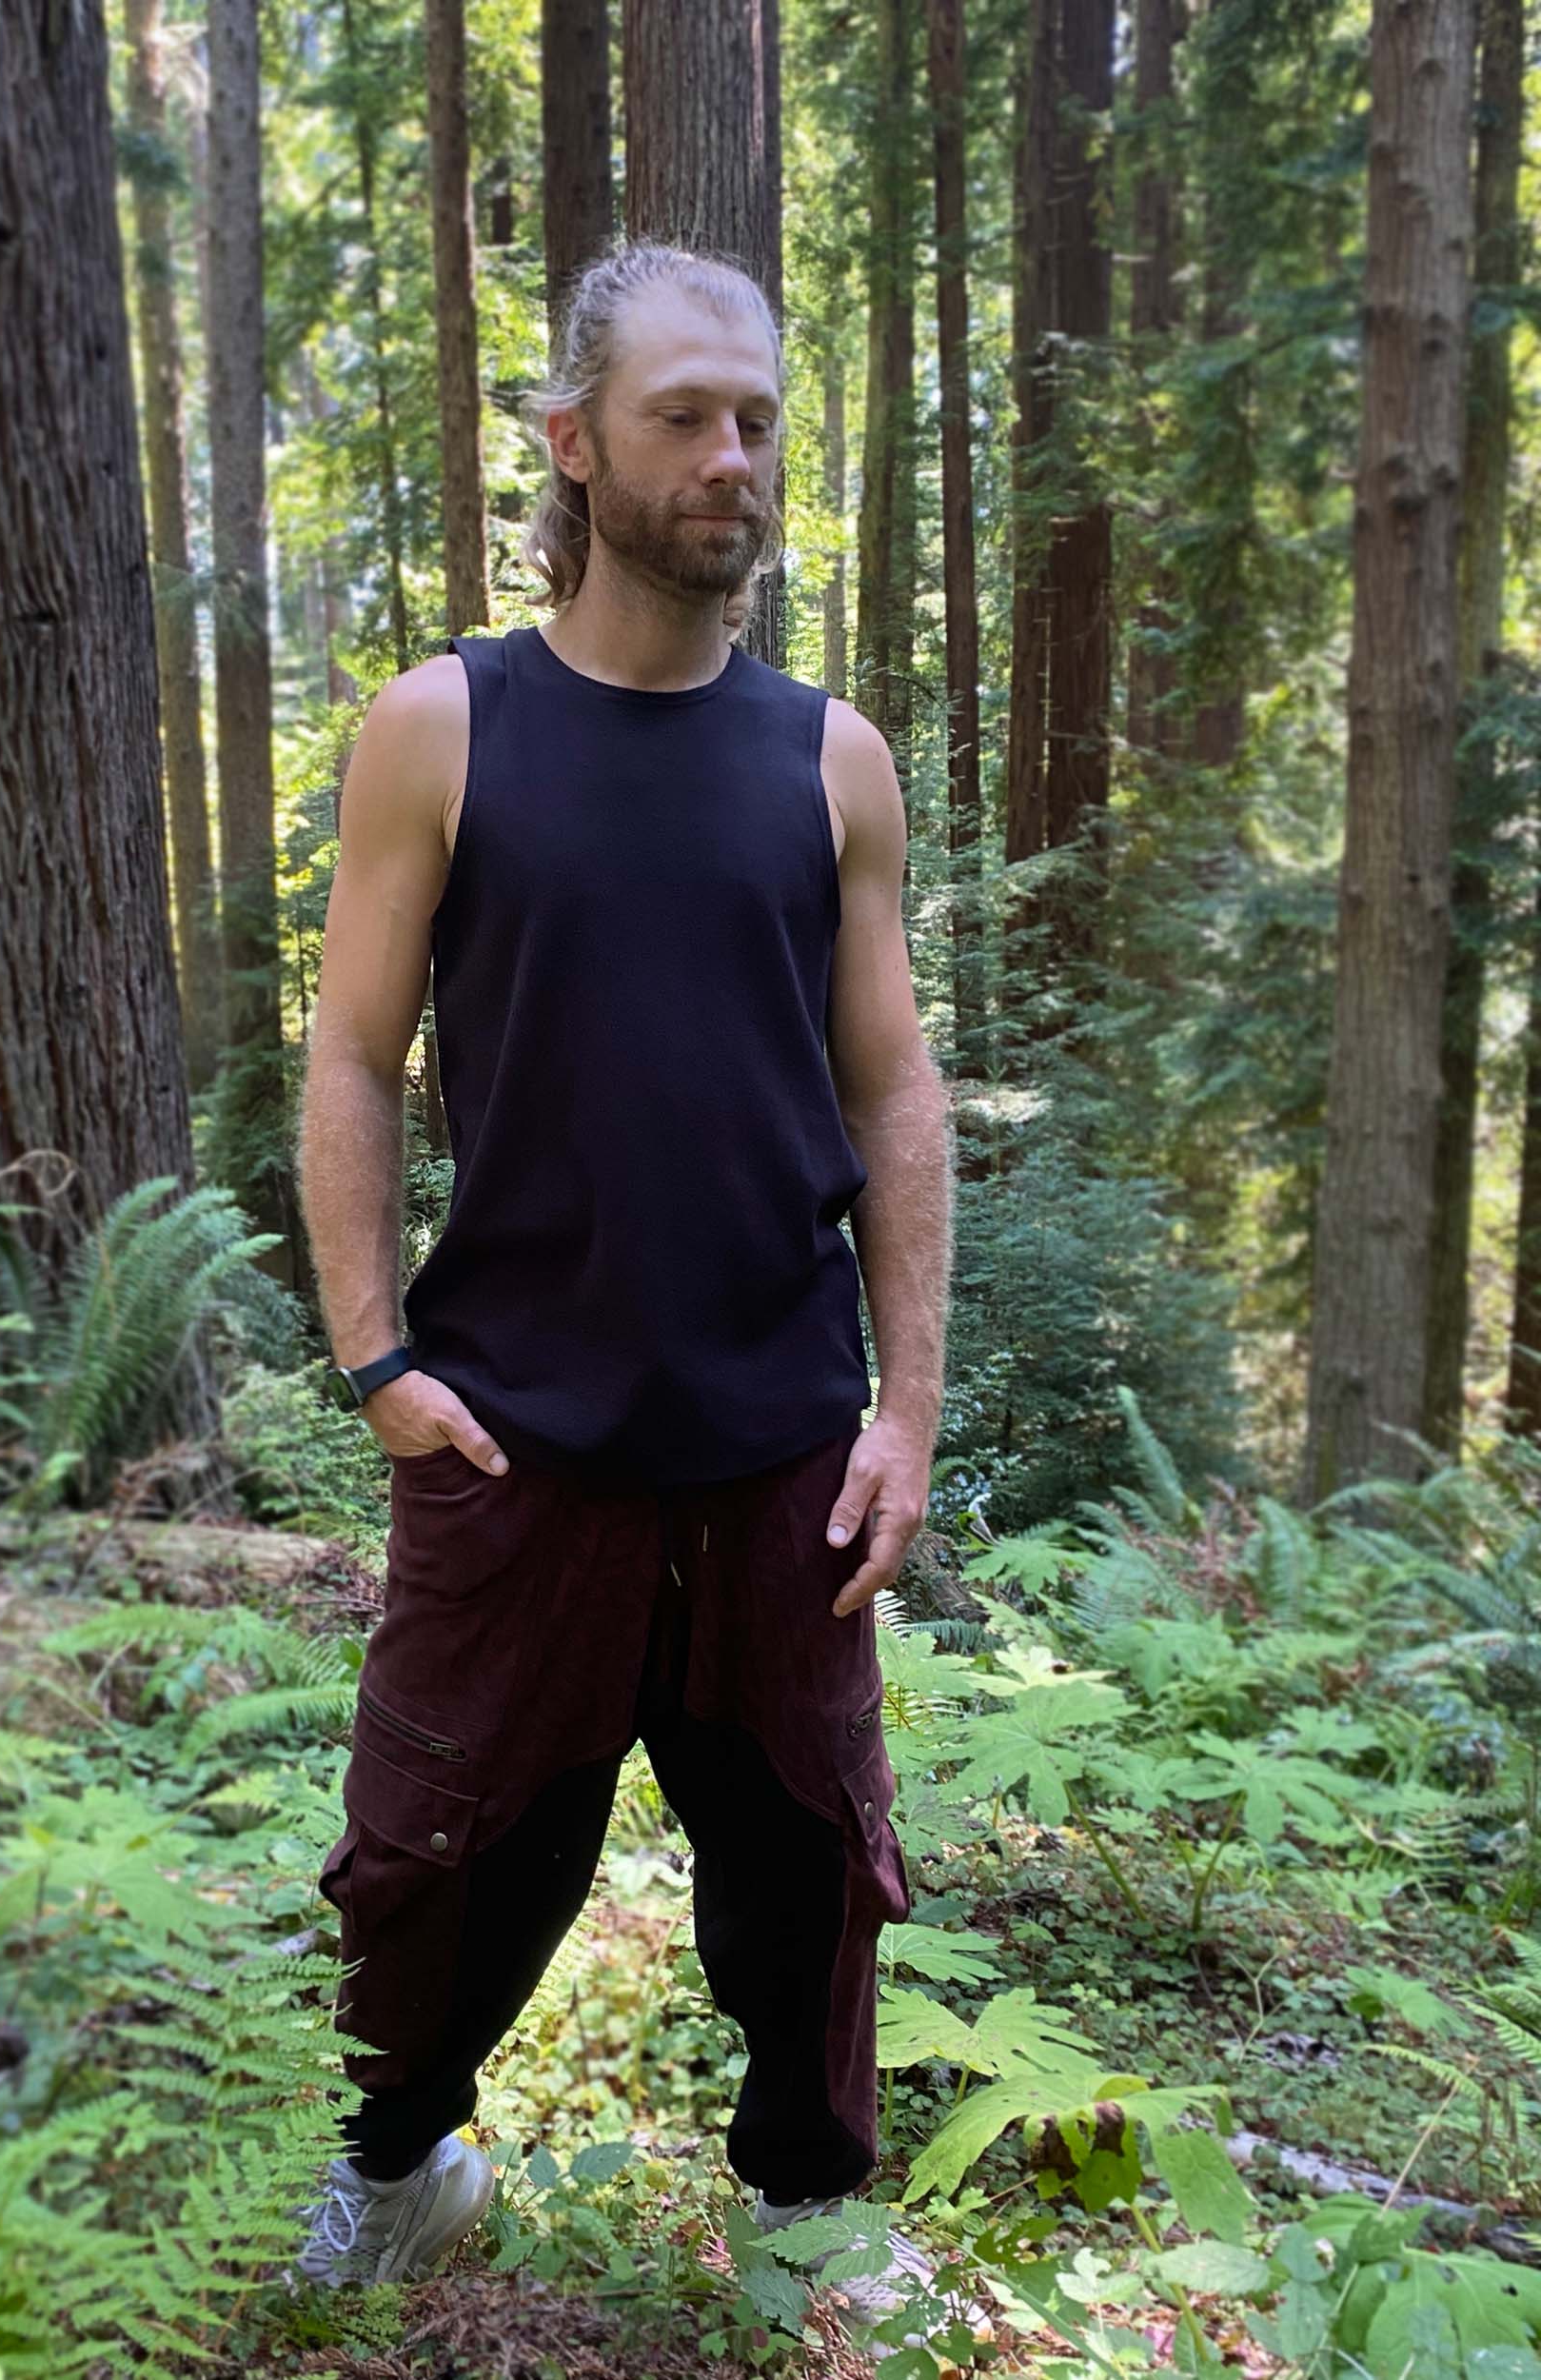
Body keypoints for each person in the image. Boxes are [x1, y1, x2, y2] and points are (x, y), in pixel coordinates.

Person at [289, 239, 954, 2319]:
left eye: (755, 417)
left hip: (774, 1438)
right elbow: (346, 1055)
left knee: (808, 1862)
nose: (728, 457)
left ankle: (810, 2211)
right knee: (434, 1850)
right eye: (681, 414)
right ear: (573, 445)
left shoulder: (830, 757)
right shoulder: (442, 727)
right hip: (515, 1432)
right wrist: (374, 1351)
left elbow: (895, 1078)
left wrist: (909, 1410)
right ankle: (401, 2172)